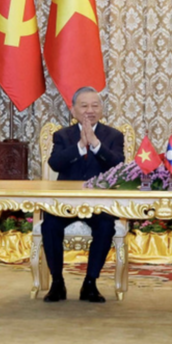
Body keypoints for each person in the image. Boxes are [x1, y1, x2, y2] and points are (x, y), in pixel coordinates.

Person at [43, 86, 125, 303]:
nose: (90, 110)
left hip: (99, 202)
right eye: (84, 105)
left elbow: (119, 165)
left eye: (95, 105)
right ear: (73, 110)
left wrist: (95, 144)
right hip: (66, 202)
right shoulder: (62, 135)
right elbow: (55, 163)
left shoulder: (114, 136)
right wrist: (81, 145)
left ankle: (90, 283)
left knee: (106, 226)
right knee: (49, 225)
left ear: (102, 109)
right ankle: (57, 282)